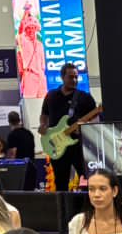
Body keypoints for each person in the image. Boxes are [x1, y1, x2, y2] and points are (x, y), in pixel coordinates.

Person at [39, 64, 99, 192]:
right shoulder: (51, 96)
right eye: (71, 77)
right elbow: (44, 114)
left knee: (86, 178)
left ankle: (88, 202)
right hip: (57, 145)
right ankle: (63, 204)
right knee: (61, 182)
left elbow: (95, 119)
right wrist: (43, 125)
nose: (74, 80)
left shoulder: (85, 97)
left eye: (76, 77)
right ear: (62, 77)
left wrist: (84, 129)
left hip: (78, 146)